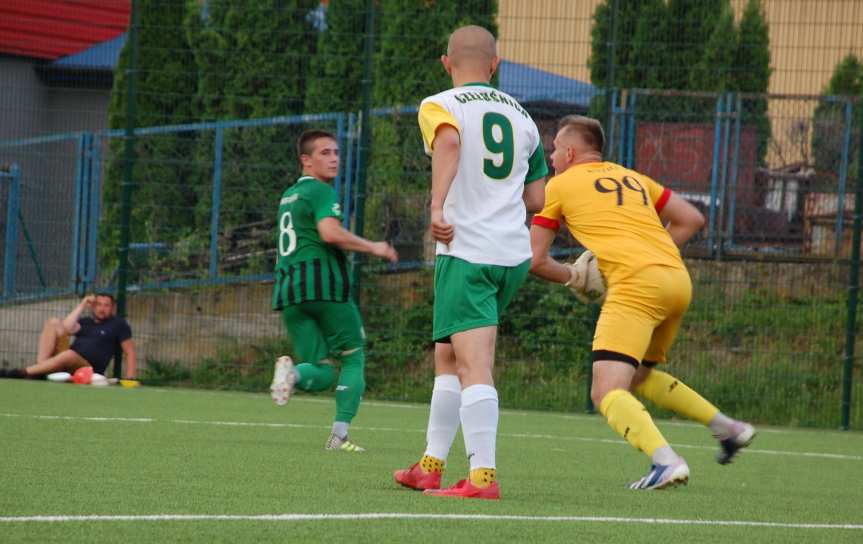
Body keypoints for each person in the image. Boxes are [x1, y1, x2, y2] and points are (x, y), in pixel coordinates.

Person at [529, 115, 755, 490]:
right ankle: (728, 428)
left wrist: (575, 276)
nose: (552, 157)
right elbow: (691, 219)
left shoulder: (560, 186)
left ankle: (666, 461)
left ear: (570, 152)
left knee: (605, 390)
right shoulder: (633, 178)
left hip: (636, 286)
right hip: (676, 280)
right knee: (639, 377)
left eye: (554, 149)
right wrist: (652, 255)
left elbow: (535, 259)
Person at [392, 25, 547, 500]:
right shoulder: (525, 119)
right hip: (510, 254)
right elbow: (537, 198)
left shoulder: (440, 104)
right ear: (495, 65)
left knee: (474, 364)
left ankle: (483, 477)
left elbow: (450, 143)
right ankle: (431, 464)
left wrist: (437, 207)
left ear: (446, 62)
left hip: (468, 250)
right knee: (449, 355)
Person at [269, 129, 398, 453]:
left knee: (323, 371)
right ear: (306, 160)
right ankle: (339, 436)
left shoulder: (288, 196)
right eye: (325, 153)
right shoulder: (321, 191)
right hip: (324, 287)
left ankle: (294, 374)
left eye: (336, 152)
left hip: (289, 292)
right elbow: (329, 233)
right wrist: (375, 247)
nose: (334, 158)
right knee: (354, 357)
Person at [0, 293, 137, 380]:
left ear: (112, 308)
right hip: (67, 361)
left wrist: (130, 377)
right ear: (93, 307)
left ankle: (21, 373)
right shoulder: (85, 322)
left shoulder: (118, 324)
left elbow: (129, 351)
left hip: (89, 369)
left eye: (106, 305)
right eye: (98, 304)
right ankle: (41, 369)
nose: (102, 308)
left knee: (70, 355)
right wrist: (82, 305)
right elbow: (65, 328)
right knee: (53, 323)